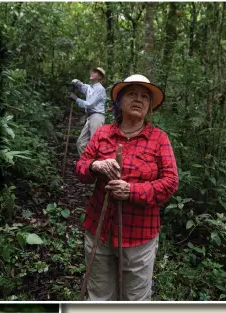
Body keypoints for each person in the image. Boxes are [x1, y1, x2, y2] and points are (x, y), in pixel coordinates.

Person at [75, 74, 179, 301]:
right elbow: (80, 168)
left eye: (145, 97)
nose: (139, 100)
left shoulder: (159, 139)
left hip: (139, 237)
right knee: (99, 296)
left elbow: (171, 181)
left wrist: (132, 191)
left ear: (149, 107)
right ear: (119, 101)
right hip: (99, 230)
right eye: (132, 94)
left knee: (135, 300)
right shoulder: (103, 133)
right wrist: (96, 165)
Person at [70, 67, 106, 156]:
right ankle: (86, 164)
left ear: (100, 77)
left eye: (95, 72)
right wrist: (76, 82)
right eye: (92, 71)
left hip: (97, 117)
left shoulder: (100, 89)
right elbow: (81, 85)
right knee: (81, 143)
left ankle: (95, 167)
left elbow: (90, 104)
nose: (92, 73)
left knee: (94, 143)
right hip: (90, 117)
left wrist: (76, 99)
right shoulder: (89, 87)